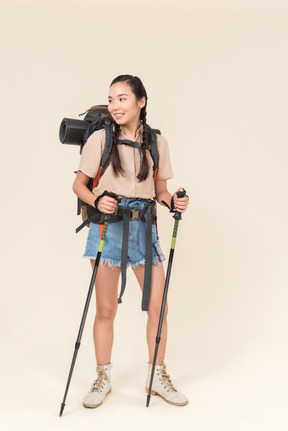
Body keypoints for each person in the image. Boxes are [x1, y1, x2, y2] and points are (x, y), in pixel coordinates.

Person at [72, 75, 189, 408]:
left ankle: (157, 375)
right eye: (110, 99)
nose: (115, 106)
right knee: (106, 309)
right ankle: (102, 376)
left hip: (143, 230)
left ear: (141, 101)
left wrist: (173, 202)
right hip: (107, 227)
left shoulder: (157, 142)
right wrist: (97, 201)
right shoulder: (100, 138)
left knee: (158, 307)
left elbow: (162, 190)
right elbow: (80, 185)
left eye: (122, 98)